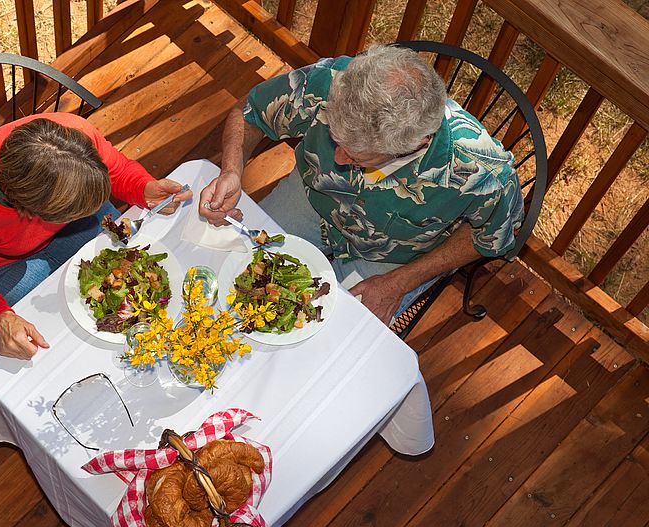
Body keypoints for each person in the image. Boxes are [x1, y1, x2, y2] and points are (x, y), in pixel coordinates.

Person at [199, 44, 524, 326]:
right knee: (228, 266)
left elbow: (490, 238)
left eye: (356, 155)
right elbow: (250, 112)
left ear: (415, 144)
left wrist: (399, 283)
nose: (338, 158)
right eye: (335, 139)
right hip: (314, 197)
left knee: (330, 342)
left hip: (389, 256)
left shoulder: (481, 170)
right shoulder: (331, 81)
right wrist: (232, 170)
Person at [0, 112, 191, 360]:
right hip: (4, 264)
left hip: (68, 228)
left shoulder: (73, 135)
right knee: (60, 339)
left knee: (128, 277)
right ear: (32, 211)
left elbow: (117, 170)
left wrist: (142, 188)